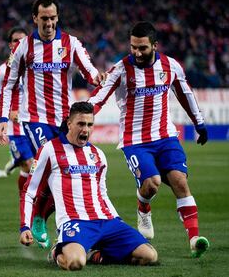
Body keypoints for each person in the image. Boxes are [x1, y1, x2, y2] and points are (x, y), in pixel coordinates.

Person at [88, 21, 209, 257]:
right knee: (152, 182)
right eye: (133, 47)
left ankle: (194, 239)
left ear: (154, 45)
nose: (137, 52)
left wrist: (199, 122)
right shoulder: (121, 69)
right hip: (135, 141)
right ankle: (143, 207)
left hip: (165, 136)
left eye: (142, 48)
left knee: (180, 181)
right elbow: (98, 98)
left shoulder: (170, 66)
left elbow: (185, 94)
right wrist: (79, 115)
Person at [0, 0, 103, 247]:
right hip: (35, 119)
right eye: (44, 18)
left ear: (57, 18)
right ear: (35, 19)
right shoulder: (23, 47)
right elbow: (9, 84)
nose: (49, 23)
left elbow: (89, 70)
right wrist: (3, 118)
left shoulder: (70, 43)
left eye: (53, 18)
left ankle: (41, 218)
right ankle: (36, 220)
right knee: (53, 166)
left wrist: (98, 77)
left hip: (66, 120)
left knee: (68, 172)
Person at [20, 102, 158, 270]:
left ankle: (95, 254)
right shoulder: (49, 150)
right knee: (75, 263)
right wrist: (24, 226)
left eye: (89, 124)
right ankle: (57, 250)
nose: (85, 129)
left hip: (107, 221)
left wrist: (116, 219)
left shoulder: (98, 154)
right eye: (81, 124)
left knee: (149, 256)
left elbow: (102, 194)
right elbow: (29, 191)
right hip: (75, 221)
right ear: (69, 124)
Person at [0, 27, 33, 194]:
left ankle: (16, 161)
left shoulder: (36, 68)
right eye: (16, 40)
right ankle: (25, 200)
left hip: (35, 124)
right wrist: (7, 114)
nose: (19, 43)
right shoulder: (2, 71)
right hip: (16, 129)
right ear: (10, 45)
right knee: (29, 165)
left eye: (22, 40)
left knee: (35, 166)